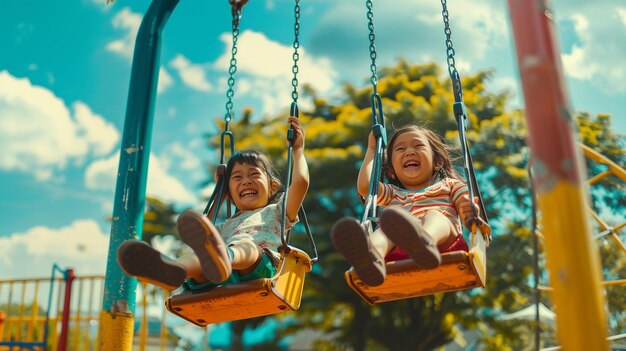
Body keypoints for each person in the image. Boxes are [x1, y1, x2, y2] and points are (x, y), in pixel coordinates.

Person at [117, 116, 309, 291]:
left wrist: (298, 151)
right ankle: (174, 270)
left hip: (260, 269)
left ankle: (226, 257)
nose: (245, 181)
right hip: (220, 278)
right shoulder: (225, 226)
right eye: (236, 177)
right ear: (229, 193)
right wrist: (219, 193)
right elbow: (201, 228)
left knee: (248, 248)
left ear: (273, 186)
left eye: (254, 174)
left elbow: (300, 183)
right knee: (202, 256)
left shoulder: (278, 211)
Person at [331, 124, 486, 287]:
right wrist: (371, 149)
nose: (409, 151)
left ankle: (425, 242)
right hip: (402, 250)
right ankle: (371, 259)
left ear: (437, 162)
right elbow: (366, 187)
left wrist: (469, 212)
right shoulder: (392, 193)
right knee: (386, 228)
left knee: (434, 215)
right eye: (400, 149)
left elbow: (464, 205)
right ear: (391, 170)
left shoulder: (450, 185)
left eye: (418, 145)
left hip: (445, 246)